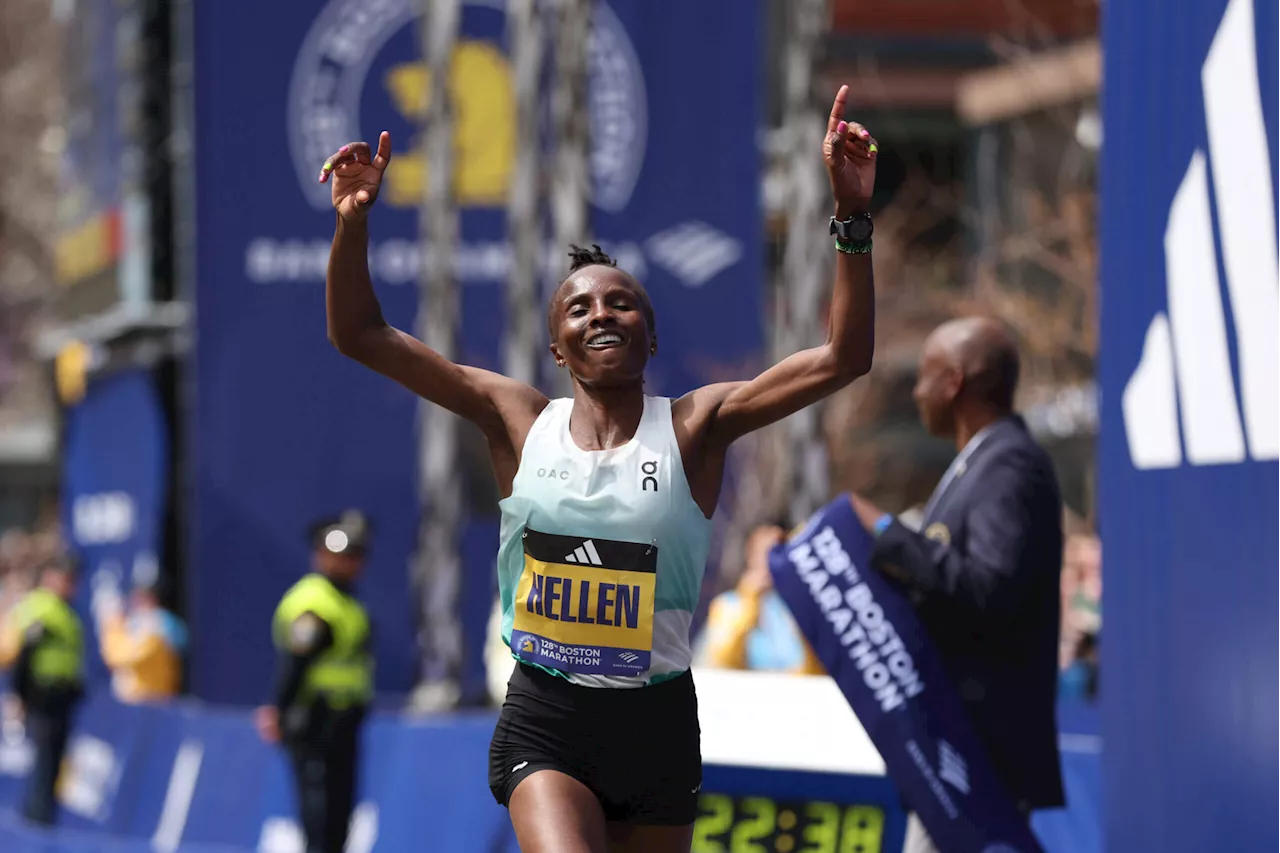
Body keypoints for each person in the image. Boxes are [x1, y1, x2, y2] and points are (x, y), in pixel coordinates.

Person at [320, 84, 877, 853]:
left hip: (657, 723)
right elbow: (361, 334)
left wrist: (850, 219)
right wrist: (352, 225)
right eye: (579, 308)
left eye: (622, 303)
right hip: (548, 716)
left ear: (650, 337)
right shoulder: (517, 418)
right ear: (558, 350)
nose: (601, 313)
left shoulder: (695, 426)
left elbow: (845, 358)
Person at [846, 317, 1065, 853]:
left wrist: (882, 531)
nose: (916, 392)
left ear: (954, 381)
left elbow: (990, 587)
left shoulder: (1009, 464)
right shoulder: (979, 463)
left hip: (981, 755)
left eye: (923, 377)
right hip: (953, 751)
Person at [255, 511, 374, 853]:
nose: (347, 563)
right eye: (339, 555)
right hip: (314, 720)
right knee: (320, 814)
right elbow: (295, 663)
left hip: (345, 720)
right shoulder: (314, 602)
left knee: (341, 815)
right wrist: (278, 709)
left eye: (354, 556)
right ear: (319, 555)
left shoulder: (348, 601)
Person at [0, 557, 85, 826]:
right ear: (51, 577)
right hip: (42, 698)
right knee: (43, 764)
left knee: (54, 768)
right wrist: (19, 695)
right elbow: (21, 653)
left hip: (62, 699)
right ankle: (36, 827)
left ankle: (43, 823)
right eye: (65, 578)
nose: (70, 585)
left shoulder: (65, 611)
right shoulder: (39, 607)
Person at [694, 524, 824, 674]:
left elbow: (813, 667)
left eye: (776, 553)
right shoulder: (727, 605)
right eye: (764, 554)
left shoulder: (795, 607)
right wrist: (750, 604)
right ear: (751, 555)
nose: (769, 563)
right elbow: (721, 662)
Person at [98, 576, 187, 703]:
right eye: (135, 596)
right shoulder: (133, 623)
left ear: (152, 598)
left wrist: (112, 625)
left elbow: (120, 658)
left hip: (153, 698)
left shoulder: (159, 623)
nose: (136, 601)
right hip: (133, 697)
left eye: (142, 596)